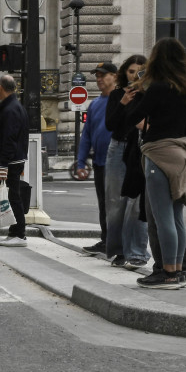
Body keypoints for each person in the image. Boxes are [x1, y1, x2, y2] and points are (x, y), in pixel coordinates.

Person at [125, 38, 186, 288]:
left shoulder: (158, 88)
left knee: (162, 218)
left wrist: (134, 97)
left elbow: (135, 116)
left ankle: (168, 274)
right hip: (183, 153)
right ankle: (179, 271)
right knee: (177, 217)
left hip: (159, 152)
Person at [102, 54, 151, 272]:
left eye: (140, 72)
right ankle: (119, 251)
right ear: (125, 73)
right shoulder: (115, 96)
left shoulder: (148, 95)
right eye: (131, 72)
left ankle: (138, 253)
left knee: (137, 204)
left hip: (138, 149)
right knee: (115, 203)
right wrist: (122, 103)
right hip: (117, 147)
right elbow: (111, 124)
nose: (135, 76)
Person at [75, 62, 117, 255]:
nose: (98, 79)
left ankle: (118, 243)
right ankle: (106, 239)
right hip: (100, 163)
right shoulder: (95, 104)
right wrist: (81, 162)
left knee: (117, 204)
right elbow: (87, 136)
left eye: (103, 75)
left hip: (118, 163)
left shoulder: (122, 100)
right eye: (97, 76)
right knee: (103, 204)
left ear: (115, 76)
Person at [0, 74, 30, 242]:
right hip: (13, 159)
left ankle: (19, 233)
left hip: (11, 160)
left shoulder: (10, 109)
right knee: (12, 196)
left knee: (14, 197)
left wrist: (4, 165)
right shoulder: (15, 106)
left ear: (1, 87)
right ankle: (14, 232)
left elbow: (9, 139)